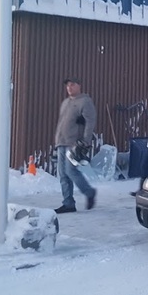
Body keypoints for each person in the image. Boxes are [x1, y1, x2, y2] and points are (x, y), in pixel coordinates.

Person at [54, 78, 97, 213]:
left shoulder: (85, 102)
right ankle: (68, 203)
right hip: (61, 141)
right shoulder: (66, 102)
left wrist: (85, 141)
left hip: (74, 143)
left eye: (72, 85)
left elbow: (90, 122)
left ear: (79, 85)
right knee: (62, 174)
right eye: (67, 85)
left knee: (70, 170)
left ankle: (89, 192)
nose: (69, 87)